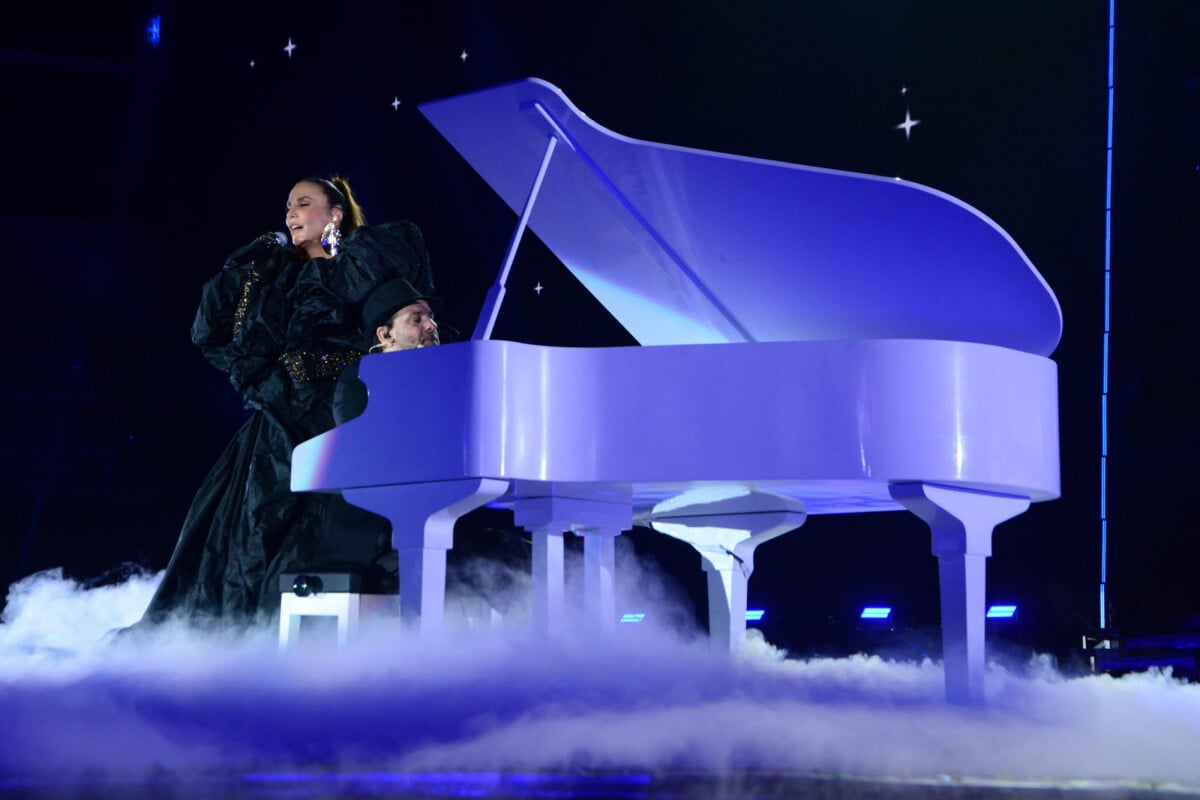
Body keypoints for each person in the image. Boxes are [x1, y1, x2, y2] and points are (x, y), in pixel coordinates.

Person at [134, 175, 435, 628]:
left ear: (335, 213)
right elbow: (218, 336)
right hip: (281, 418)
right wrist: (250, 270)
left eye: (304, 203)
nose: (291, 213)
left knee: (322, 524)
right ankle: (242, 639)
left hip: (342, 409)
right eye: (288, 207)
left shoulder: (361, 262)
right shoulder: (277, 278)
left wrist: (341, 250)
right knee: (247, 527)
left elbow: (402, 307)